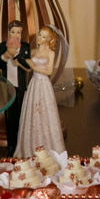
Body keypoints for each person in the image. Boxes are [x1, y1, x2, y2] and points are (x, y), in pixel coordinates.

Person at [15, 25, 65, 157]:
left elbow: (49, 71)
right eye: (39, 34)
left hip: (44, 84)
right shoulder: (33, 51)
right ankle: (30, 145)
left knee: (45, 112)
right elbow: (28, 69)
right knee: (32, 112)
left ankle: (48, 146)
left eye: (43, 36)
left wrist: (33, 66)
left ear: (49, 39)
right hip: (34, 84)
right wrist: (20, 63)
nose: (39, 38)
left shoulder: (50, 53)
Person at [0, 20, 31, 156]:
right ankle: (11, 147)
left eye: (19, 32)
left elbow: (28, 65)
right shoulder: (3, 46)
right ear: (8, 32)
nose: (16, 35)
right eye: (13, 32)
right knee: (10, 118)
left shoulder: (25, 46)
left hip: (21, 88)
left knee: (22, 117)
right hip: (7, 88)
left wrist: (17, 56)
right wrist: (5, 56)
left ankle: (22, 146)